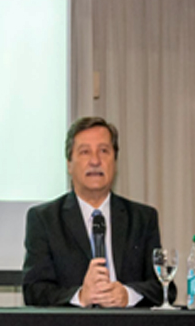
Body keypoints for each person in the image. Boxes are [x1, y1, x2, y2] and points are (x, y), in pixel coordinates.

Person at [23, 116, 172, 307]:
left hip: (128, 324)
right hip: (72, 325)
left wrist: (128, 295)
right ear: (69, 164)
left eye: (103, 151)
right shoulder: (44, 219)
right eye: (85, 152)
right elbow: (34, 291)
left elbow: (165, 288)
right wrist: (80, 297)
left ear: (115, 161)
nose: (95, 161)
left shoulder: (142, 218)